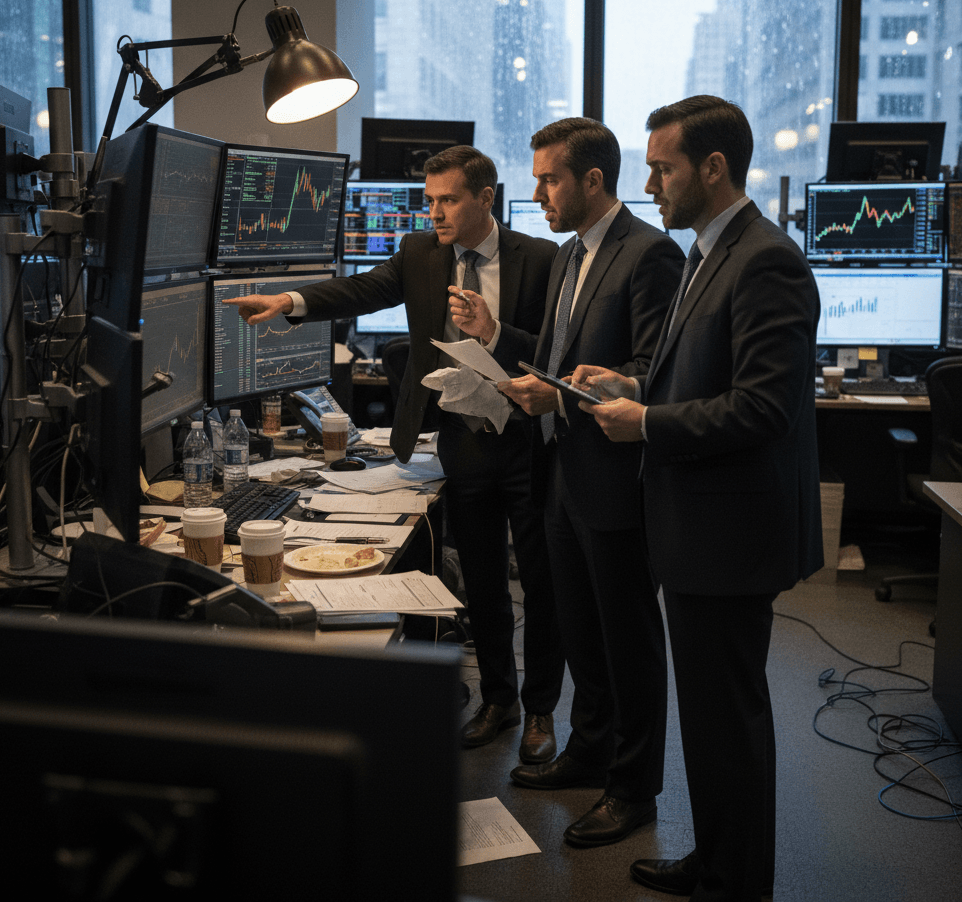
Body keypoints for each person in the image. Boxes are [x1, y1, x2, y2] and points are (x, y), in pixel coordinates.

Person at [223, 145, 566, 763]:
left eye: (448, 199)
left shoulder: (541, 259)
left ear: (486, 198)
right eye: (429, 199)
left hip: (527, 439)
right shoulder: (418, 255)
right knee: (484, 582)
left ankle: (542, 710)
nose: (433, 212)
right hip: (461, 440)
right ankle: (500, 699)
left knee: (540, 583)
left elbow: (557, 352)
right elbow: (362, 290)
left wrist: (494, 331)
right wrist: (291, 303)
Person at [573, 96, 823, 901]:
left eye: (662, 167)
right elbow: (702, 376)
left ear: (713, 168)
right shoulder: (709, 251)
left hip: (730, 536)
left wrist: (644, 420)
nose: (650, 184)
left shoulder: (766, 259)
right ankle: (717, 859)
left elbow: (762, 408)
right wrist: (634, 383)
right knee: (712, 723)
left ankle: (736, 882)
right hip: (698, 528)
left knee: (730, 722)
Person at [484, 117, 684, 848]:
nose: (537, 192)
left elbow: (649, 370)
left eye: (550, 179)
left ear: (593, 180)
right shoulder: (571, 256)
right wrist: (502, 346)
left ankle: (634, 789)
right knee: (579, 631)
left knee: (627, 637)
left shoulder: (650, 254)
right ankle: (589, 749)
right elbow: (559, 353)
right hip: (562, 472)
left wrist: (561, 396)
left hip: (615, 476)